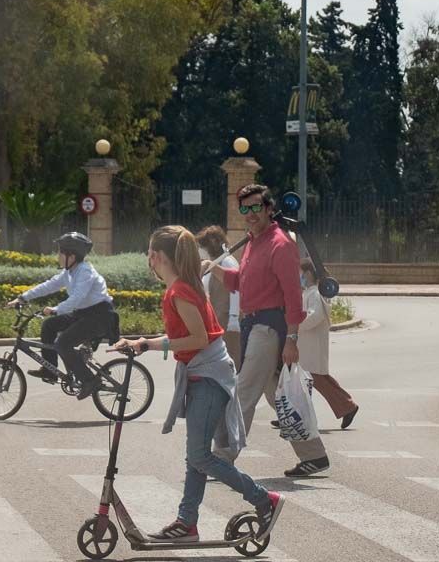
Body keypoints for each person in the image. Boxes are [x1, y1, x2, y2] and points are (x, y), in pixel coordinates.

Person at [114, 226, 283, 542]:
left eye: (150, 253)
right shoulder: (184, 287)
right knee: (197, 455)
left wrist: (149, 344)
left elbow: (197, 338)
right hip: (204, 374)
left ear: (159, 257)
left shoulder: (179, 292)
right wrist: (143, 343)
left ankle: (264, 499)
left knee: (200, 457)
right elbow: (187, 337)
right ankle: (186, 524)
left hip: (208, 377)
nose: (148, 259)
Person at [212, 184, 329, 477]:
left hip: (269, 327)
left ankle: (222, 456)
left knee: (243, 391)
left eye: (255, 207)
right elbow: (242, 281)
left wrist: (292, 339)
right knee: (280, 398)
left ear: (268, 208)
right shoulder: (254, 242)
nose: (250, 214)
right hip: (254, 325)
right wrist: (212, 268)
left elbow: (293, 297)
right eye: (245, 209)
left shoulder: (280, 244)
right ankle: (314, 455)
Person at [5, 232, 115, 401]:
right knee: (49, 325)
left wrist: (56, 309)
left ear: (72, 256)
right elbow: (48, 285)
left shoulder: (85, 272)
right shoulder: (69, 272)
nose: (58, 256)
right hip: (83, 314)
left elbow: (77, 297)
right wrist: (23, 297)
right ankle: (50, 370)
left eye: (60, 253)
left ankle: (89, 380)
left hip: (99, 317)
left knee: (63, 343)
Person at [299, 258, 359, 429]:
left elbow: (314, 316)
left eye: (300, 273)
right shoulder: (310, 293)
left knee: (315, 379)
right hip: (309, 345)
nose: (298, 277)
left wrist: (296, 325)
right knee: (310, 380)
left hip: (312, 345)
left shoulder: (315, 294)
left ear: (308, 274)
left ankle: (347, 407)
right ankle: (298, 415)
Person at [197, 226, 242, 369]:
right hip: (218, 318)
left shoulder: (228, 261)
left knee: (231, 358)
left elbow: (236, 291)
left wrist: (234, 318)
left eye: (202, 246)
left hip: (227, 318)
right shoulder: (215, 262)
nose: (201, 249)